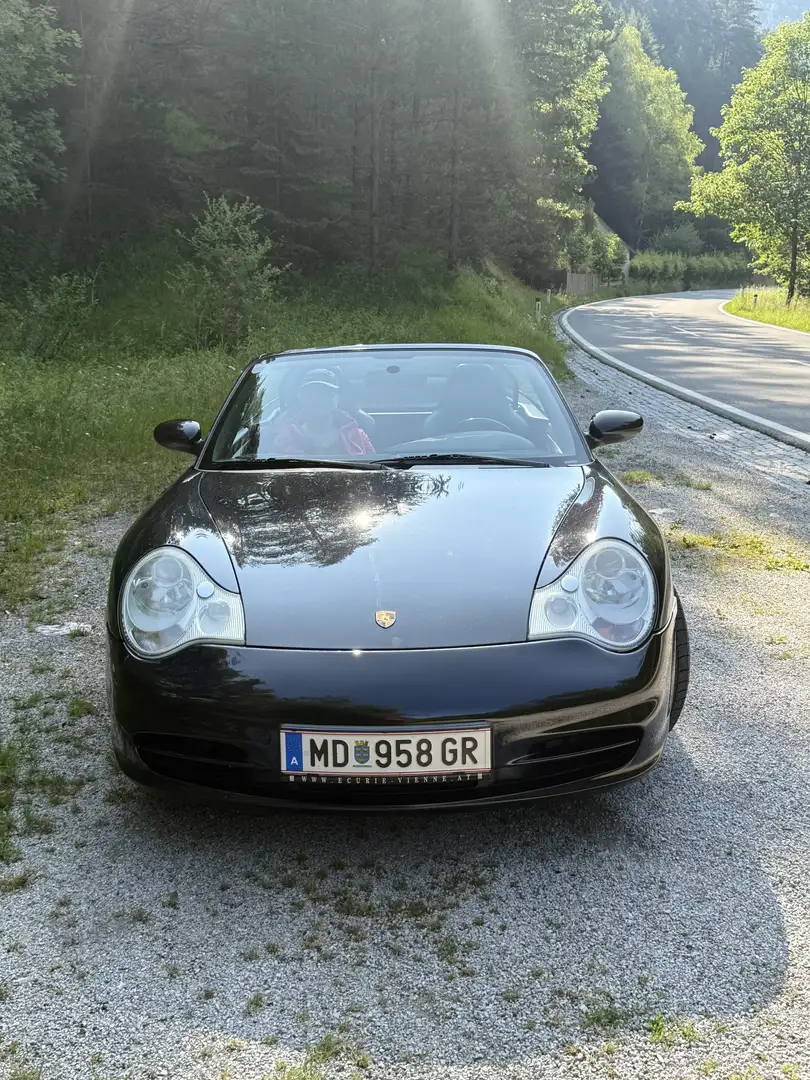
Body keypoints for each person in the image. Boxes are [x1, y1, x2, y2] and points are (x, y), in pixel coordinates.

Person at [273, 369, 375, 455]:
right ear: (301, 398)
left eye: (327, 393)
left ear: (338, 398)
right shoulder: (285, 437)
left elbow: (374, 472)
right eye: (312, 393)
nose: (320, 399)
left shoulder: (358, 435)